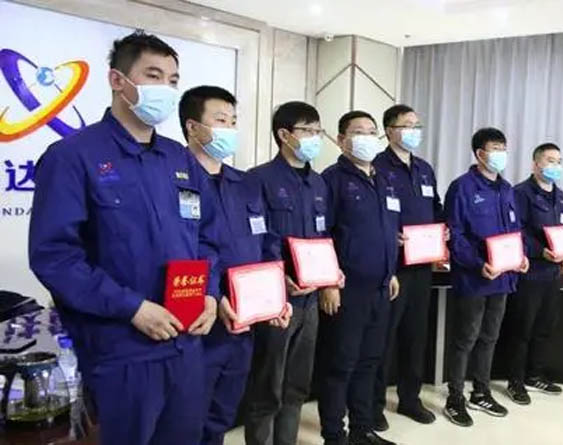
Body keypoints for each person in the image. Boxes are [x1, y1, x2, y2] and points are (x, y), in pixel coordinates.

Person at [28, 32, 220, 445]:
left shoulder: (179, 159)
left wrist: (209, 292)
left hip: (185, 346)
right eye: (153, 75)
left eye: (172, 80)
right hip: (121, 351)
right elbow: (56, 257)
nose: (165, 88)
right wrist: (132, 307)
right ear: (118, 80)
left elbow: (207, 236)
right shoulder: (72, 156)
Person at [178, 86, 291, 445]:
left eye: (233, 121)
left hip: (244, 321)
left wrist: (276, 295)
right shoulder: (172, 180)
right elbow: (181, 249)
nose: (229, 129)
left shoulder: (245, 184)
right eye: (220, 120)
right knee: (187, 416)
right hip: (199, 319)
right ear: (193, 126)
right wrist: (214, 294)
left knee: (223, 413)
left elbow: (266, 240)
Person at [245, 101, 336, 445]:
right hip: (276, 301)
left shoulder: (318, 183)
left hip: (310, 300)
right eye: (307, 130)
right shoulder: (258, 179)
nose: (315, 137)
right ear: (284, 135)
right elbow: (255, 237)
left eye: (317, 130)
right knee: (267, 384)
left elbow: (324, 236)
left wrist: (330, 279)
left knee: (297, 384)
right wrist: (277, 276)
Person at [318, 111, 400, 445]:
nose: (366, 137)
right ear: (342, 140)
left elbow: (388, 229)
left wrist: (391, 271)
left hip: (381, 286)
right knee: (341, 365)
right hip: (346, 289)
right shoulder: (331, 180)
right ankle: (334, 435)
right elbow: (322, 235)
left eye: (371, 131)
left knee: (369, 362)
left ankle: (362, 430)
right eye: (358, 132)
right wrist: (328, 281)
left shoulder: (384, 179)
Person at [442, 127, 529, 427]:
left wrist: (521, 256)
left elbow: (514, 230)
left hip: (503, 278)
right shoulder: (462, 187)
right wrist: (478, 264)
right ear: (480, 153)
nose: (501, 154)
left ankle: (481, 392)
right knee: (465, 338)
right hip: (474, 278)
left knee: (489, 337)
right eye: (495, 148)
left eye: (504, 148)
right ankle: (455, 398)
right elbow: (455, 235)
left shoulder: (506, 189)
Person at [372, 105, 443, 430]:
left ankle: (410, 398)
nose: (414, 131)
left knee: (415, 336)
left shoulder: (424, 169)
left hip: (422, 265)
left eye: (417, 125)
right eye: (407, 125)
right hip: (392, 267)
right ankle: (373, 404)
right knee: (384, 337)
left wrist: (443, 229)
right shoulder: (377, 167)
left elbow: (435, 206)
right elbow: (373, 216)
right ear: (389, 130)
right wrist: (390, 235)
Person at [504, 143, 563, 405]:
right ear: (535, 164)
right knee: (522, 329)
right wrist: (539, 251)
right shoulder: (520, 193)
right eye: (550, 160)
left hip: (553, 274)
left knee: (544, 326)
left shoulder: (561, 197)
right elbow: (515, 231)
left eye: (559, 161)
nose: (555, 165)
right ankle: (515, 381)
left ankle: (535, 374)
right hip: (530, 272)